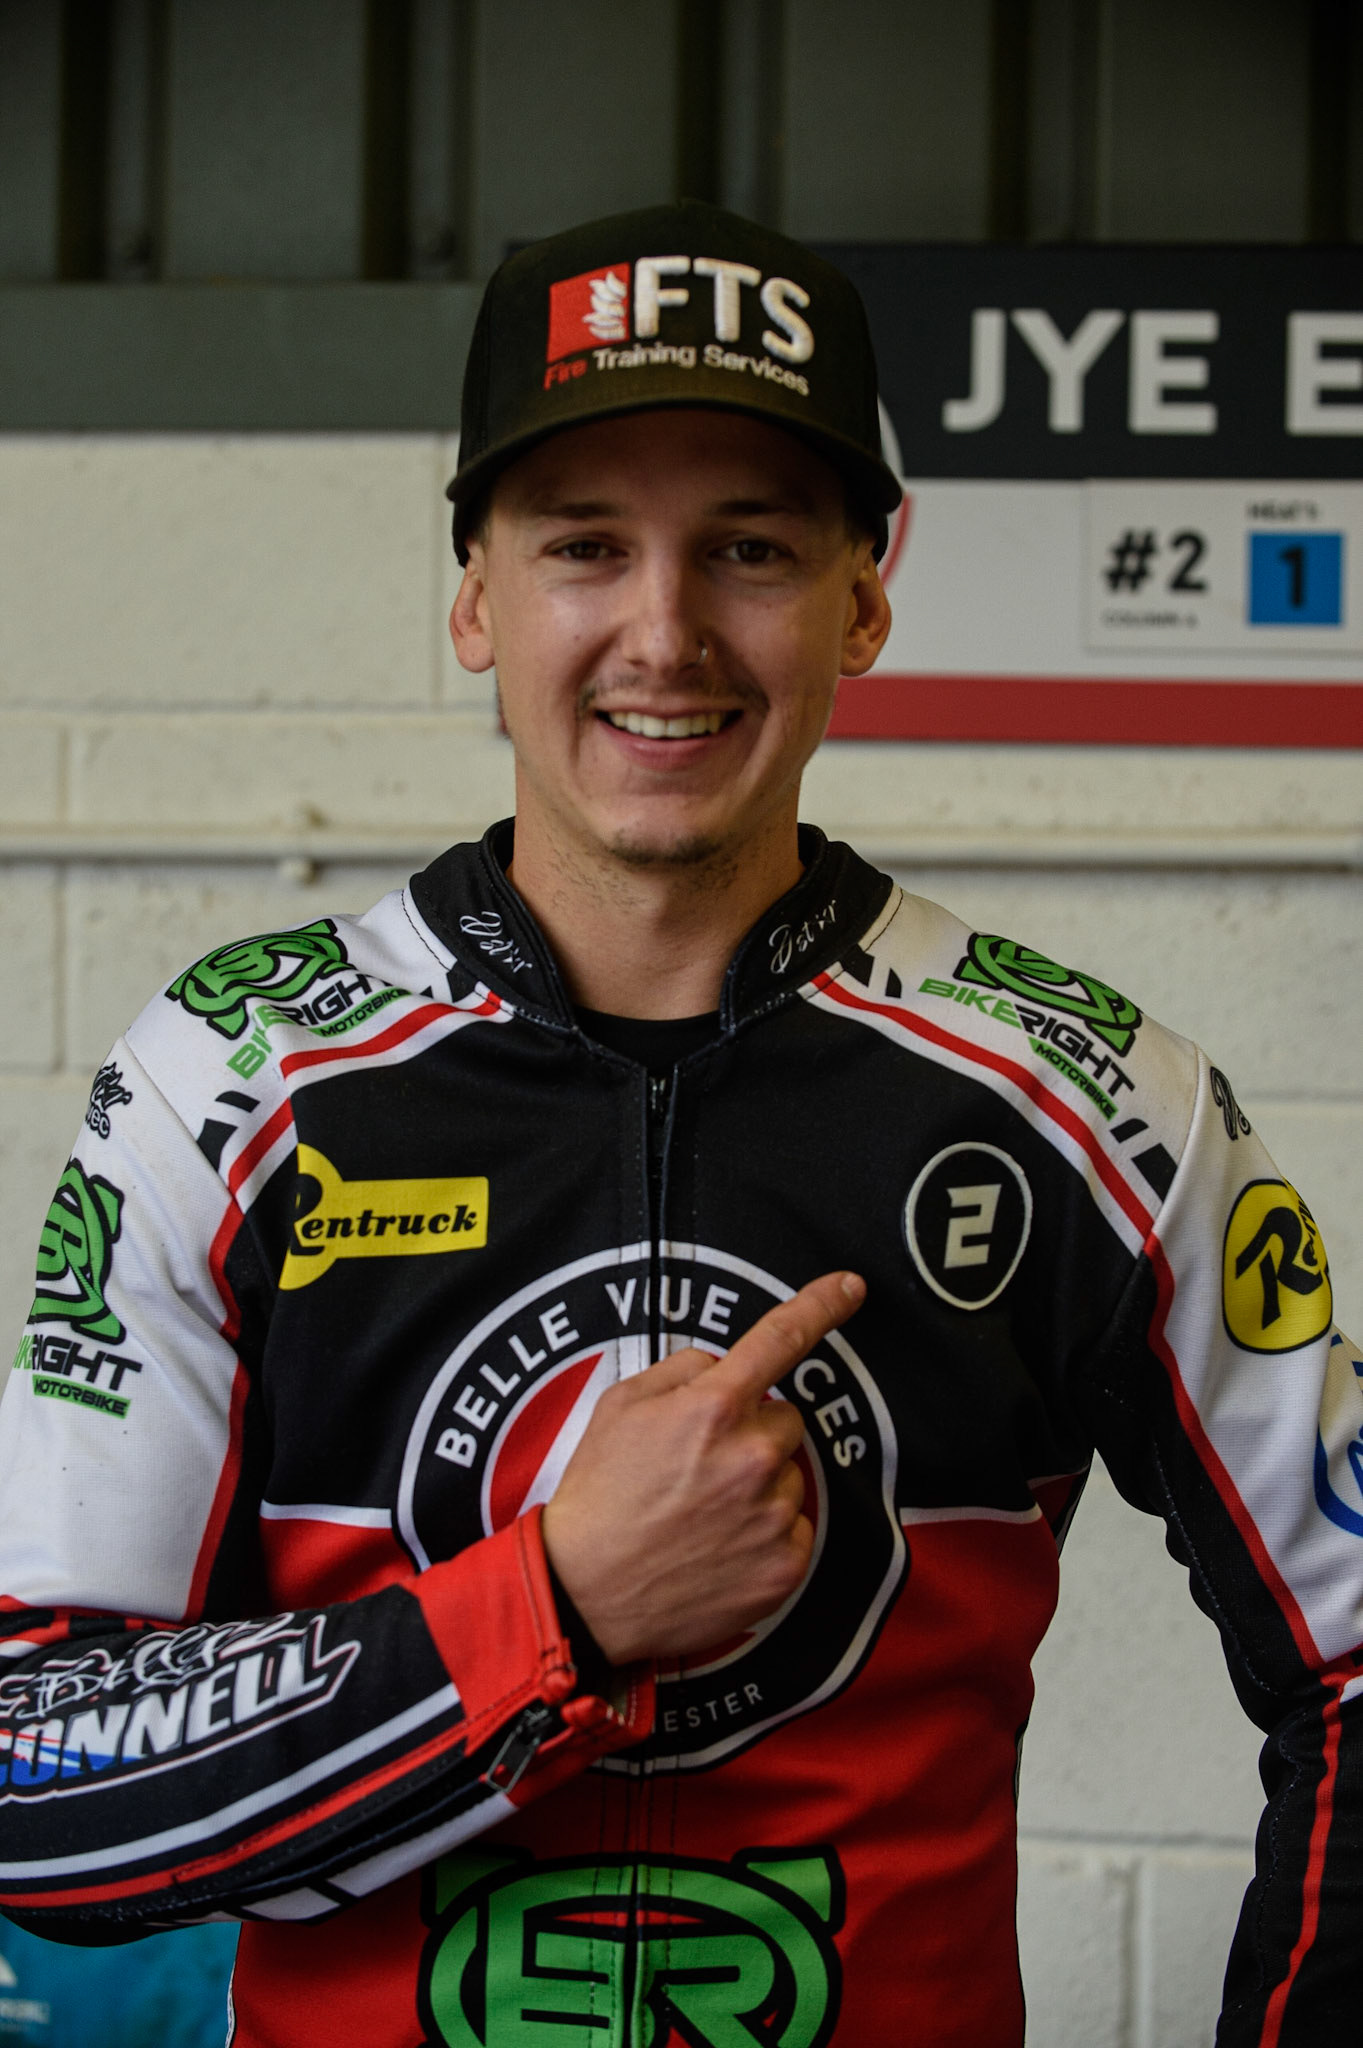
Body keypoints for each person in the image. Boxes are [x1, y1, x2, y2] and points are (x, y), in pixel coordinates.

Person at [0, 201, 1358, 2048]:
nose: (664, 633)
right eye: (583, 545)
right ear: (473, 591)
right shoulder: (223, 1085)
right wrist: (551, 1607)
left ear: (864, 596)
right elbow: (33, 1765)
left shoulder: (1099, 1106)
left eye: (748, 548)